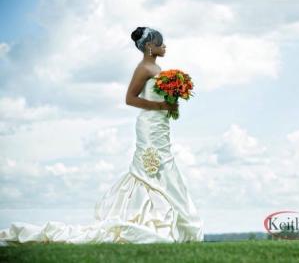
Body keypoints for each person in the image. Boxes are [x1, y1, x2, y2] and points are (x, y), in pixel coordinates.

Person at [0, 26, 204, 246]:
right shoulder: (143, 68)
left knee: (162, 170)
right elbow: (130, 99)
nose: (164, 46)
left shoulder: (158, 67)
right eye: (160, 43)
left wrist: (171, 103)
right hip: (149, 126)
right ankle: (150, 220)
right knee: (153, 168)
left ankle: (171, 221)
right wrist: (159, 105)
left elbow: (159, 97)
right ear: (148, 47)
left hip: (161, 125)